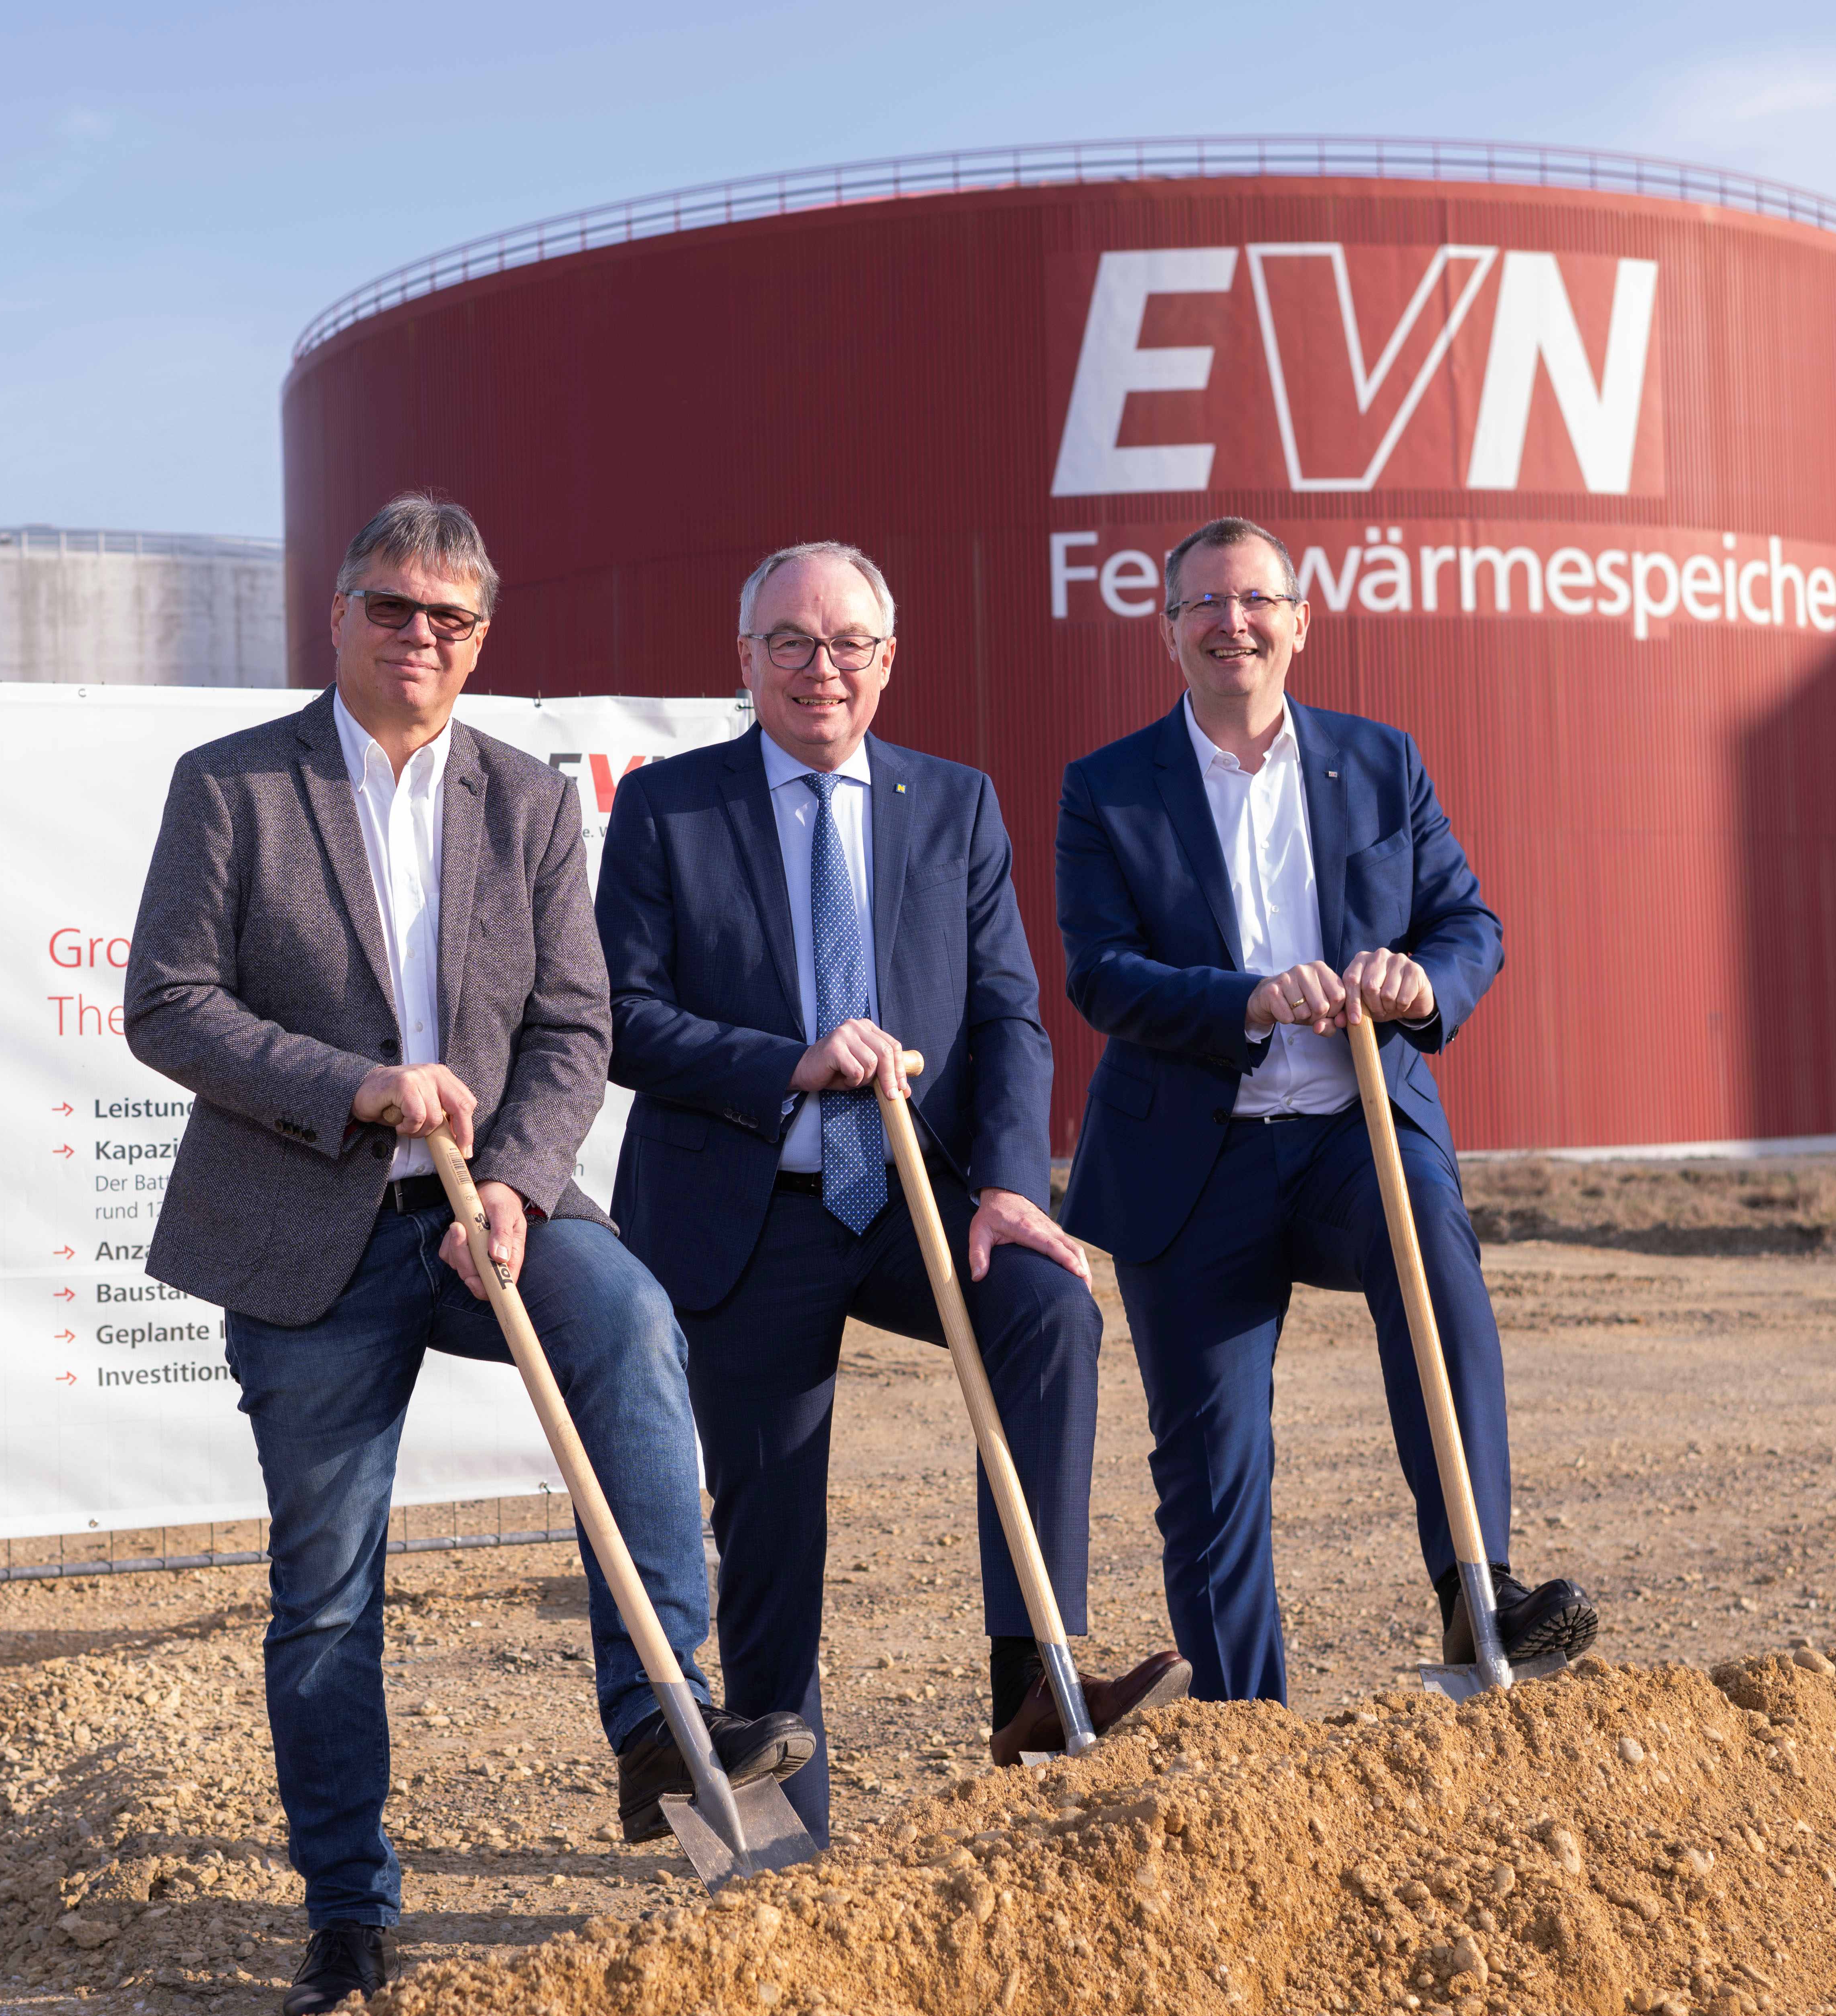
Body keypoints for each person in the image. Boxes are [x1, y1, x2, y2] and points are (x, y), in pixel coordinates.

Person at [124, 494, 809, 2016]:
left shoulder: (529, 802)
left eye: (450, 618)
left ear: (482, 639)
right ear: (340, 616)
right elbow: (168, 1005)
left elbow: (575, 1022)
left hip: (489, 1211)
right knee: (326, 1592)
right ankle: (349, 1917)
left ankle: (659, 1720)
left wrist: (515, 1182)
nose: (419, 637)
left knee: (629, 1326)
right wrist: (357, 1086)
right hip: (305, 1230)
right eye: (392, 608)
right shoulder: (234, 785)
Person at [596, 540, 1188, 1842]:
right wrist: (788, 1063)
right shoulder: (667, 809)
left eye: (849, 643)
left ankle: (1032, 1681)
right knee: (772, 1529)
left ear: (888, 659)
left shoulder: (955, 804)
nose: (823, 668)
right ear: (745, 659)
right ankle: (783, 1833)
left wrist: (1013, 1187)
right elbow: (621, 1018)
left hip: (924, 1201)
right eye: (791, 643)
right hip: (747, 1215)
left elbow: (1012, 1015)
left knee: (1050, 1313)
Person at [1051, 514, 1599, 1706]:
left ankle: (1477, 1592)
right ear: (1168, 631)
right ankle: (1248, 1726)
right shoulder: (1108, 789)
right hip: (1193, 1160)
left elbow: (1468, 924)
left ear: (1300, 624)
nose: (1232, 624)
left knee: (1433, 1246)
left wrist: (1422, 983)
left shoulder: (1382, 762)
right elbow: (1101, 974)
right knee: (1213, 1464)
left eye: (1256, 601)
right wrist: (1244, 1000)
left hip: (1360, 1137)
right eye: (1204, 604)